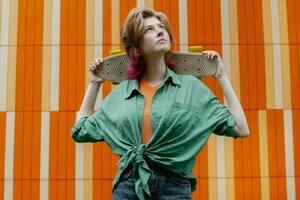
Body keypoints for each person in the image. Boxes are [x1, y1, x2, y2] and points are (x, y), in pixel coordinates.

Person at [71, 7, 249, 200]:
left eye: (161, 27)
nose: (159, 31)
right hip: (129, 185)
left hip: (174, 187)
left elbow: (241, 128)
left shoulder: (191, 88)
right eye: (149, 29)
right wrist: (94, 83)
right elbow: (80, 130)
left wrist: (221, 76)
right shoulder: (120, 94)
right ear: (136, 48)